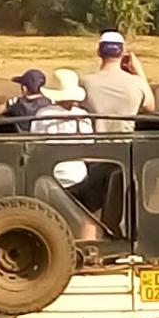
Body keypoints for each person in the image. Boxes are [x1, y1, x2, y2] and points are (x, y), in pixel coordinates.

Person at [31, 69, 100, 240]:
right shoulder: (82, 116)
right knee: (88, 218)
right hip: (78, 176)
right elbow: (89, 146)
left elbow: (34, 146)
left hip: (50, 178)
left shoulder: (43, 115)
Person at [80, 29, 155, 133]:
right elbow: (150, 107)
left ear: (99, 52)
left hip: (96, 146)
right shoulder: (137, 83)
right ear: (123, 52)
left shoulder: (85, 82)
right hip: (126, 145)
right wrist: (139, 72)